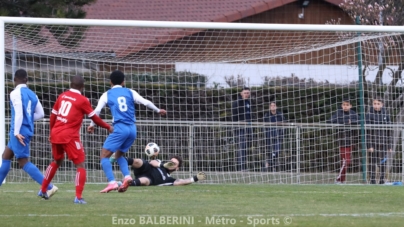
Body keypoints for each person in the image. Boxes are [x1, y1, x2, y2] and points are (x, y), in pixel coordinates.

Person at [87, 70, 167, 193]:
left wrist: (92, 124)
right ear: (123, 82)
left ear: (110, 82)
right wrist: (158, 110)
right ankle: (127, 177)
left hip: (119, 128)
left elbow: (97, 111)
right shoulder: (130, 92)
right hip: (132, 129)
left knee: (104, 156)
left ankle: (112, 182)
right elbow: (145, 102)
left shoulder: (107, 94)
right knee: (119, 155)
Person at [39, 75, 113, 204]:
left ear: (71, 84)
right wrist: (108, 127)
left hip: (56, 132)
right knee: (80, 165)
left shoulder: (62, 96)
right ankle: (78, 197)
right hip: (69, 136)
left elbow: (53, 115)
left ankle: (43, 189)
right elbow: (94, 118)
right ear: (82, 87)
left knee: (57, 160)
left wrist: (51, 131)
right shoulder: (82, 100)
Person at [0, 69, 57, 196]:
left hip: (19, 131)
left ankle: (49, 186)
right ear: (26, 80)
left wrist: (16, 131)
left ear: (14, 80)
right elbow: (41, 114)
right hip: (26, 130)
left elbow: (19, 112)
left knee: (23, 162)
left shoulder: (15, 93)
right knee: (6, 156)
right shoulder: (33, 94)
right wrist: (28, 120)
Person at [110, 154, 206, 188]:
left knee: (145, 181)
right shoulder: (161, 162)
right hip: (147, 168)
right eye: (171, 161)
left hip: (149, 178)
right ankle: (119, 158)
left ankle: (119, 184)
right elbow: (152, 162)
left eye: (174, 164)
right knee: (140, 161)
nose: (171, 164)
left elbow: (180, 182)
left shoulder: (169, 179)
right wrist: (162, 165)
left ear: (177, 168)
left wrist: (195, 178)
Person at [328, 98, 358, 184]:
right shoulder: (338, 113)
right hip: (341, 141)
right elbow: (330, 121)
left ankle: (341, 180)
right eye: (344, 105)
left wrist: (351, 122)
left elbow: (360, 121)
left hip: (351, 140)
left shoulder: (353, 114)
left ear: (351, 106)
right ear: (341, 106)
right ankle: (339, 179)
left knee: (345, 162)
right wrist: (345, 122)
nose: (345, 106)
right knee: (346, 161)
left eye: (347, 105)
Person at [365, 97, 392, 184]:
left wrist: (389, 145)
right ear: (372, 104)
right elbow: (367, 132)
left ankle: (382, 179)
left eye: (378, 104)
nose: (376, 106)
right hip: (373, 143)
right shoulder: (369, 115)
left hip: (383, 143)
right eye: (375, 104)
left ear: (382, 104)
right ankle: (372, 180)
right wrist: (369, 145)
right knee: (372, 162)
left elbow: (389, 131)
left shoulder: (386, 116)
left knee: (383, 162)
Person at [232, 87, 253, 171]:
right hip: (240, 128)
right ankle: (241, 168)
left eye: (248, 93)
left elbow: (251, 115)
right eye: (245, 93)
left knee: (246, 147)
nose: (246, 94)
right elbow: (234, 116)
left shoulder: (250, 102)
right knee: (242, 146)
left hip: (249, 128)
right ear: (241, 94)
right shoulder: (236, 103)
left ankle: (242, 166)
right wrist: (238, 124)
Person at [263, 102, 286, 172]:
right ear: (269, 107)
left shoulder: (280, 115)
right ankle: (272, 166)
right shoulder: (267, 115)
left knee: (277, 151)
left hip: (278, 136)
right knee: (270, 151)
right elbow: (264, 125)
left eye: (274, 105)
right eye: (271, 106)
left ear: (276, 107)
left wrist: (281, 132)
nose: (273, 107)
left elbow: (284, 123)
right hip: (269, 136)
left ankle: (269, 163)